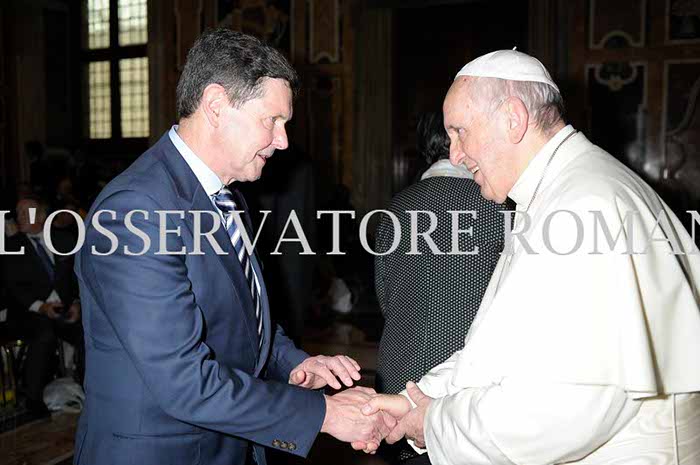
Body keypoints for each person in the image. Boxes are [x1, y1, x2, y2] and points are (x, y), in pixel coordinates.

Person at [363, 50, 700, 464]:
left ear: (513, 119)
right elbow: (498, 350)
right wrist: (418, 399)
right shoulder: (555, 193)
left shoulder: (583, 204)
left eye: (460, 132)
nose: (455, 155)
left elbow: (566, 407)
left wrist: (434, 422)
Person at [74, 29, 393, 465]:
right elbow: (184, 383)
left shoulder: (227, 196)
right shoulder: (136, 210)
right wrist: (325, 414)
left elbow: (239, 317)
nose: (283, 140)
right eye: (272, 120)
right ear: (216, 105)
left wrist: (293, 362)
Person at [373, 111, 507, 464]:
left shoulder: (396, 207)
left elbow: (385, 295)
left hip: (398, 374)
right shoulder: (498, 207)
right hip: (467, 384)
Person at [1, 195, 83, 413]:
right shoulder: (11, 245)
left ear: (42, 216)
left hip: (63, 309)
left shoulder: (64, 239)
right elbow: (14, 287)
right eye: (18, 212)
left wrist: (77, 303)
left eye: (25, 212)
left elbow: (78, 276)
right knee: (44, 334)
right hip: (28, 312)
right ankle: (33, 400)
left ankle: (90, 387)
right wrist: (41, 307)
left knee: (88, 331)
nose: (19, 216)